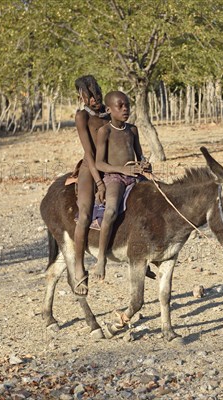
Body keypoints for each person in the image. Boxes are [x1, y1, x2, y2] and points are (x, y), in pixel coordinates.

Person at [94, 91, 151, 281]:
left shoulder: (132, 130)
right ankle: (101, 257)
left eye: (127, 105)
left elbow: (139, 155)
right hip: (115, 177)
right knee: (110, 211)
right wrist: (121, 170)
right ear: (109, 110)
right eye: (120, 106)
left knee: (155, 204)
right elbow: (99, 163)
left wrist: (144, 164)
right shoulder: (105, 131)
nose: (125, 109)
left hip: (134, 175)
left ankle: (147, 257)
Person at [69, 75, 109, 296]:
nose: (93, 99)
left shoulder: (110, 113)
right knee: (84, 214)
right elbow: (88, 153)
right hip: (90, 167)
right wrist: (99, 181)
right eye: (88, 95)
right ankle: (78, 265)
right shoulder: (82, 116)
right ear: (80, 96)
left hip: (111, 165)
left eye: (96, 93)